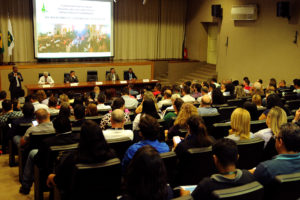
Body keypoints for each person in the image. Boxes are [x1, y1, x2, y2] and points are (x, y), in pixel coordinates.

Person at [46, 120, 117, 199]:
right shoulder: (113, 156)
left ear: (81, 137)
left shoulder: (72, 159)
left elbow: (61, 182)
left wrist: (51, 177)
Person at [19, 115, 76, 195]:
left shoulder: (47, 142)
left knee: (32, 153)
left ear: (55, 128)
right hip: (73, 172)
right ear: (71, 125)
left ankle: (25, 187)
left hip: (52, 172)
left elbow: (39, 161)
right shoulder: (79, 138)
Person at [188, 139, 256, 200]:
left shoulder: (206, 185)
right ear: (237, 157)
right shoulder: (249, 177)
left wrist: (185, 195)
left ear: (215, 159)